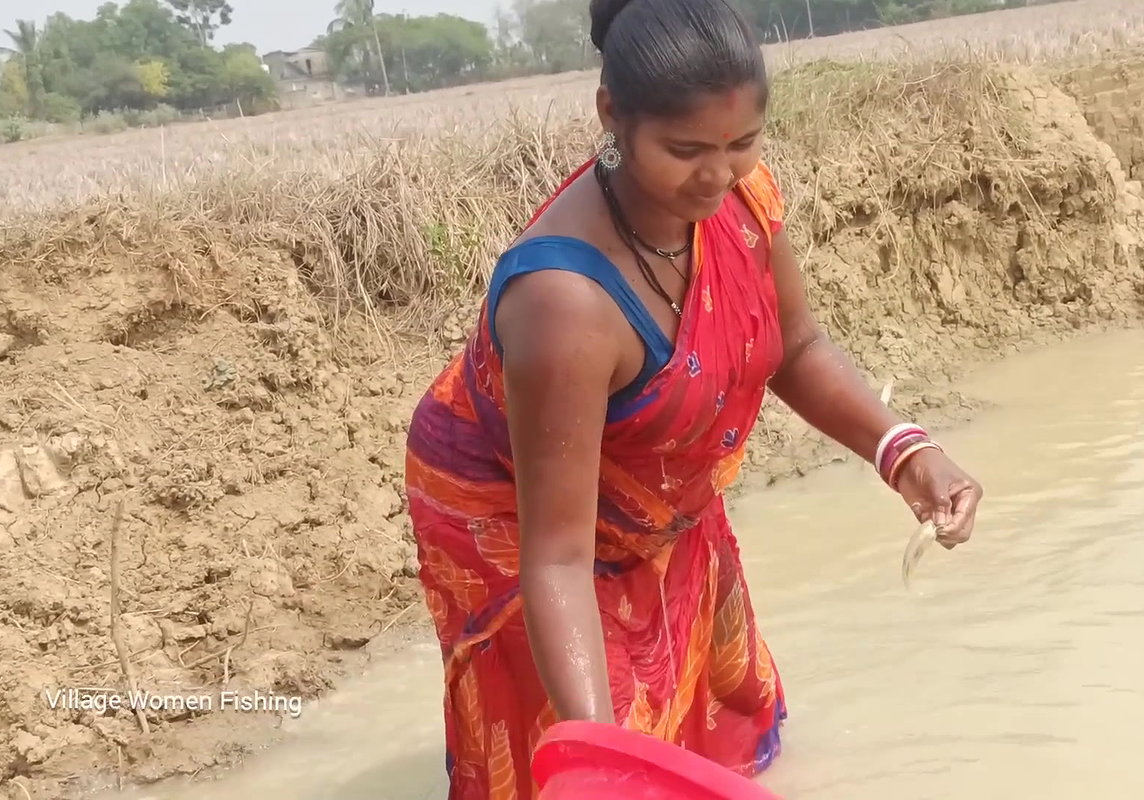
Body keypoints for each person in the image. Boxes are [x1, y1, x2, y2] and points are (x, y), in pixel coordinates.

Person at [403, 0, 984, 794]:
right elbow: (558, 556)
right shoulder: (564, 302)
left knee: (701, 711)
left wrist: (907, 452)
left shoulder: (741, 202)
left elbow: (796, 346)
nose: (718, 174)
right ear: (612, 114)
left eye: (741, 143)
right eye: (685, 150)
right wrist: (602, 762)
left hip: (654, 474)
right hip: (522, 512)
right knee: (581, 750)